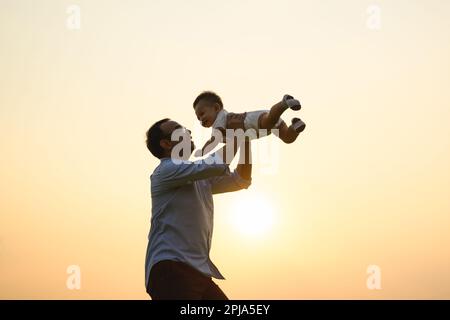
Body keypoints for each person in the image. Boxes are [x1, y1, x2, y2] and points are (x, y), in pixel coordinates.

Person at [144, 115, 252, 300]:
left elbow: (240, 180)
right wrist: (240, 133)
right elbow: (217, 162)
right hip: (171, 269)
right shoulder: (166, 170)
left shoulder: (196, 175)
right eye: (179, 129)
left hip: (197, 272)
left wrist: (247, 141)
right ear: (166, 144)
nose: (189, 131)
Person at [193, 91, 306, 156]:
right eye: (198, 118)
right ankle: (295, 126)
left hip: (251, 121)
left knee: (270, 121)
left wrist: (203, 151)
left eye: (202, 114)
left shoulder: (220, 119)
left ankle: (284, 103)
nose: (201, 119)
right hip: (263, 126)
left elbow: (214, 140)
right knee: (287, 138)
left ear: (216, 108)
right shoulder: (219, 124)